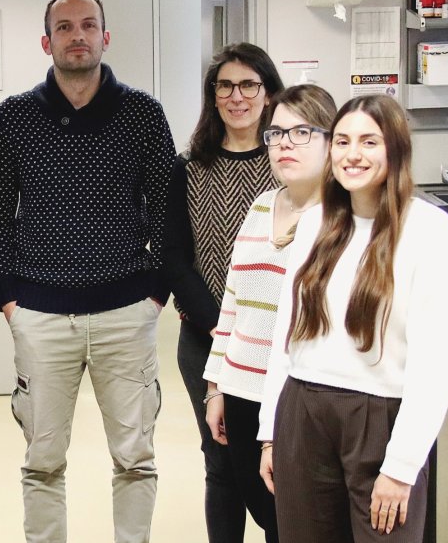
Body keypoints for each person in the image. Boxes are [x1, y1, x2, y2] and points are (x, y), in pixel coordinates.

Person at [0, 0, 175, 543]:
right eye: (64, 27)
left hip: (125, 311)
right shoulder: (14, 116)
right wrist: (8, 297)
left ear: (105, 37)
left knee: (135, 454)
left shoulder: (142, 113)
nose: (77, 36)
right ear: (47, 42)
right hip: (41, 315)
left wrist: (155, 291)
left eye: (88, 25)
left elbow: (164, 205)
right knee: (42, 460)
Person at [258, 94, 448, 542]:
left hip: (382, 420)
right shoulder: (315, 223)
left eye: (369, 142)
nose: (352, 154)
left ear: (395, 149)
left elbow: (441, 359)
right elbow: (286, 333)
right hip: (304, 412)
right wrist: (270, 432)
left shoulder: (431, 231)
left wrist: (402, 465)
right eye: (342, 141)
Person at [202, 84, 337, 543]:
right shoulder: (261, 206)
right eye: (276, 133)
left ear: (329, 140)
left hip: (300, 398)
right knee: (264, 512)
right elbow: (233, 300)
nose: (284, 144)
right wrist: (216, 385)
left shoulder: (340, 220)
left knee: (296, 521)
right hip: (242, 389)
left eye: (301, 132)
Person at [162, 42, 283, 543]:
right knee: (221, 460)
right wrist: (220, 324)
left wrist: (247, 328)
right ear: (213, 97)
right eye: (225, 86)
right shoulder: (187, 167)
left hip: (277, 347)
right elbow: (173, 257)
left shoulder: (288, 163)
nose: (237, 96)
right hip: (206, 344)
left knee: (279, 464)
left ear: (268, 92)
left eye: (249, 84)